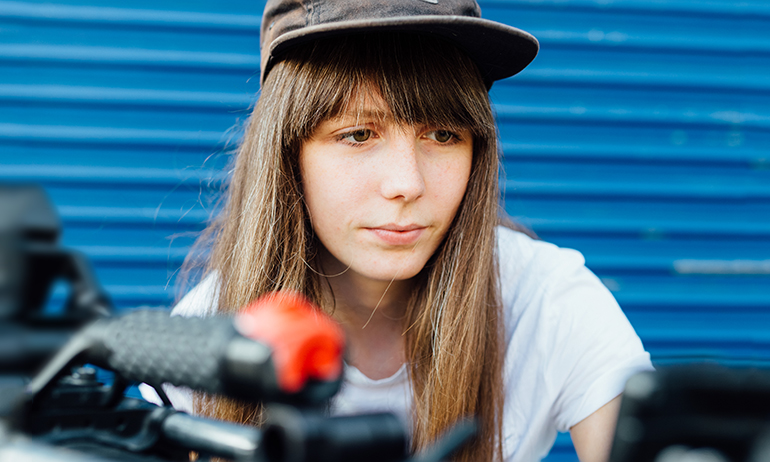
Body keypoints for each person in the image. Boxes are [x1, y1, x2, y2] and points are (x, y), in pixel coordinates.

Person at [141, 0, 654, 461]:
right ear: (287, 154)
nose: (407, 183)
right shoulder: (206, 344)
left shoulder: (544, 302)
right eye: (358, 134)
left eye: (443, 133)